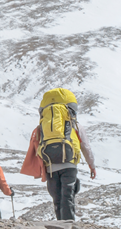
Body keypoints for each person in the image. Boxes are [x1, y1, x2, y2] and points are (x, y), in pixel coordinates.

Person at [21, 88, 96, 221]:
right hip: (69, 164)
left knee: (57, 198)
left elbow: (36, 146)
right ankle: (69, 225)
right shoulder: (75, 125)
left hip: (50, 165)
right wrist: (92, 166)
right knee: (68, 196)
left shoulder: (43, 126)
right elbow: (86, 146)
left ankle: (60, 225)